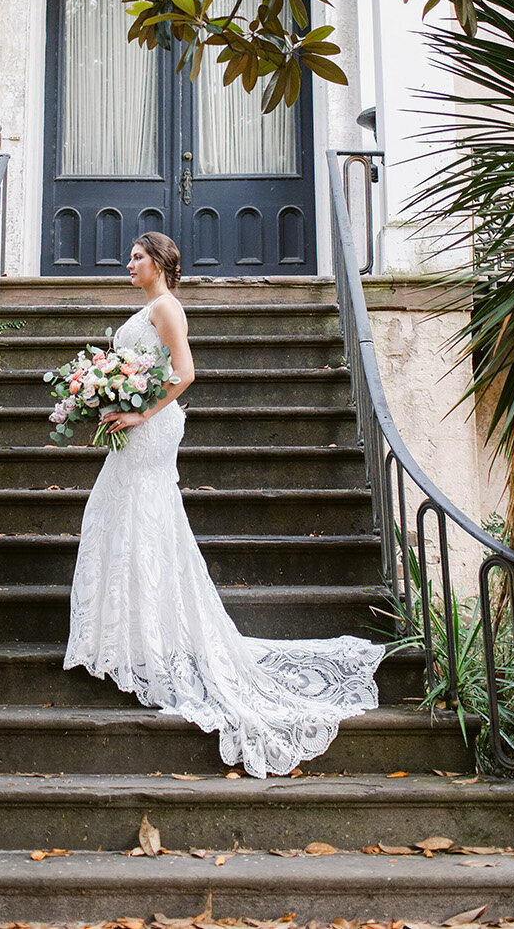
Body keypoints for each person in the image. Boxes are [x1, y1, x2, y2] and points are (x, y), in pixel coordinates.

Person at [64, 230, 384, 778]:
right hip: (138, 428)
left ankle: (142, 638)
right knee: (122, 519)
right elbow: (145, 371)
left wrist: (139, 412)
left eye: (137, 257)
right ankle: (127, 634)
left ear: (160, 263)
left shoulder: (166, 309)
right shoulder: (148, 309)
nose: (129, 264)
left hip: (153, 431)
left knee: (142, 521)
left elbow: (185, 373)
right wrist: (103, 394)